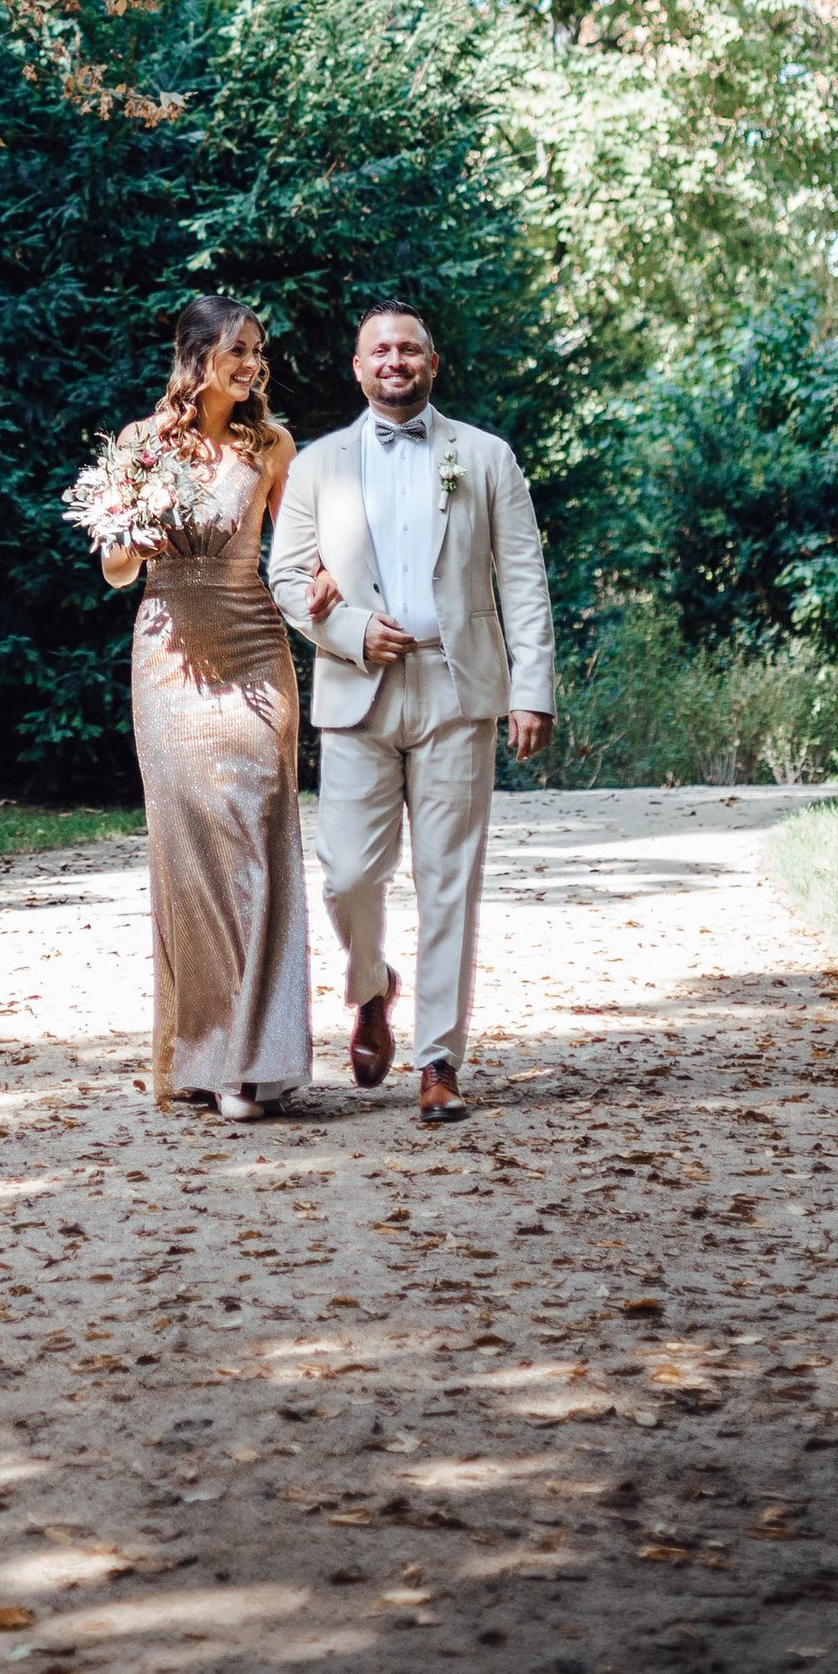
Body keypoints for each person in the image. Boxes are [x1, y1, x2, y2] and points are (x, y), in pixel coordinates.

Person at [266, 300, 555, 1124]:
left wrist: (531, 688)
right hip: (356, 690)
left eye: (409, 349)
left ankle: (438, 1061)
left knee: (448, 877)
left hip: (458, 688)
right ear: (358, 368)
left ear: (432, 363)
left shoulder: (486, 457)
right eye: (380, 350)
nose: (395, 361)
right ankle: (372, 986)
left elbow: (523, 577)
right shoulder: (318, 465)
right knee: (348, 874)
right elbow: (286, 577)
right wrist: (351, 631)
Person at [91, 296, 313, 1124]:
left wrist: (339, 597)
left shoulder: (274, 445)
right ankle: (211, 1054)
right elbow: (114, 570)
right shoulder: (140, 443)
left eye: (258, 349)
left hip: (254, 646)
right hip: (168, 656)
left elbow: (300, 557)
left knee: (256, 834)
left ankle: (256, 1056)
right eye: (238, 349)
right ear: (196, 357)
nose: (253, 363)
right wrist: (136, 539)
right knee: (191, 852)